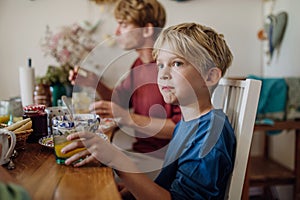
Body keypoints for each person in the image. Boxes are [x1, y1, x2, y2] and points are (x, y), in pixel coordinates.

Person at [62, 22, 236, 199]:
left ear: (210, 76)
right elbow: (169, 183)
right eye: (160, 65)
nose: (163, 74)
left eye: (176, 63)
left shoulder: (209, 135)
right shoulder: (188, 123)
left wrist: (118, 161)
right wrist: (128, 189)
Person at [69, 0, 181, 160]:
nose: (117, 31)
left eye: (123, 25)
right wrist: (95, 83)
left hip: (164, 161)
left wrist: (127, 118)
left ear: (147, 30)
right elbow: (118, 103)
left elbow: (179, 128)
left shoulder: (171, 68)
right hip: (140, 154)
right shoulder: (138, 65)